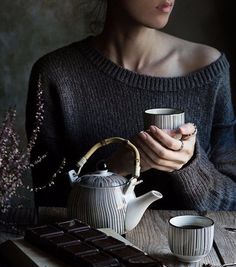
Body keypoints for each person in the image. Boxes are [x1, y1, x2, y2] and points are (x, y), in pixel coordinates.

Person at [26, 0, 236, 210]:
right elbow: (48, 203)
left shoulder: (209, 70)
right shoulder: (55, 76)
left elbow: (232, 201)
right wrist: (115, 167)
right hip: (92, 242)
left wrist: (189, 166)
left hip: (195, 243)